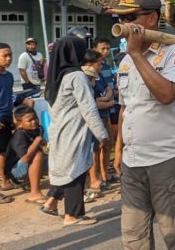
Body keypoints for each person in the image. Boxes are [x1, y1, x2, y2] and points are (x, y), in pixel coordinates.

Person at [110, 0, 175, 249]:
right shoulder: (125, 61)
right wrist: (119, 150)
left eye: (131, 18)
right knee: (134, 238)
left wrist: (137, 54)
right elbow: (127, 109)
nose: (124, 25)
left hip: (170, 160)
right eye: (120, 19)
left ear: (152, 19)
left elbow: (166, 94)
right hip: (133, 162)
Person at [42, 36, 109, 226]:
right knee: (75, 169)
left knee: (69, 166)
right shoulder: (77, 76)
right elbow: (88, 108)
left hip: (60, 127)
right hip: (73, 129)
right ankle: (72, 214)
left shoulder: (56, 76)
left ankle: (55, 204)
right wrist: (102, 134)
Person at [0, 43, 34, 204]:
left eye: (10, 55)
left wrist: (13, 115)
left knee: (4, 152)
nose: (9, 58)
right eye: (5, 55)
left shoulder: (9, 76)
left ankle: (4, 181)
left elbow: (8, 97)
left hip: (5, 119)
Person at [82, 50, 115, 202]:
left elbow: (108, 90)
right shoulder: (85, 78)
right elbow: (93, 103)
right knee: (94, 150)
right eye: (98, 63)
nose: (101, 66)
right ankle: (94, 180)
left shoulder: (98, 75)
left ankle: (103, 174)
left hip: (104, 116)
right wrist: (110, 102)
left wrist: (106, 100)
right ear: (89, 64)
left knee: (107, 145)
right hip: (95, 119)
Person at [4, 105, 46, 204]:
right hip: (15, 172)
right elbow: (26, 158)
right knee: (38, 154)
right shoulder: (19, 135)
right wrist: (37, 141)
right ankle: (34, 193)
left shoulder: (39, 128)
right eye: (29, 120)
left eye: (35, 118)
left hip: (25, 166)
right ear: (20, 123)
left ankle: (29, 182)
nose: (34, 121)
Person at [92, 37, 119, 175]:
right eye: (103, 48)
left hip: (109, 109)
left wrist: (112, 93)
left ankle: (105, 174)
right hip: (98, 110)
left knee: (108, 142)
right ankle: (97, 175)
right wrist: (108, 97)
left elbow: (110, 87)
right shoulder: (92, 69)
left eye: (108, 48)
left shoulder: (107, 66)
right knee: (97, 145)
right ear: (94, 49)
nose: (106, 51)